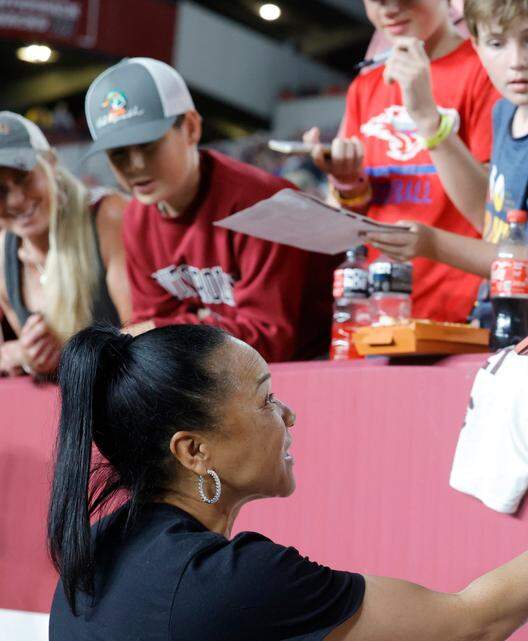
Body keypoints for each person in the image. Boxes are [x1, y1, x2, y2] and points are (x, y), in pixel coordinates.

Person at [46, 323, 528, 639]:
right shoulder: (230, 582)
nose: (288, 414)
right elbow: (473, 620)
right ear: (193, 450)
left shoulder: (96, 552)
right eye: (266, 398)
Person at [363, 0, 528, 328]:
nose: (516, 62)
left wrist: (430, 243)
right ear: (476, 45)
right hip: (504, 319)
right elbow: (492, 220)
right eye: (496, 43)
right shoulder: (505, 111)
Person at [83, 58, 336, 363]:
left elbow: (268, 339)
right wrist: (182, 329)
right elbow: (153, 341)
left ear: (190, 128)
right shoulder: (137, 218)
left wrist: (172, 328)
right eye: (119, 154)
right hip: (227, 378)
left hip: (318, 366)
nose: (136, 166)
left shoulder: (263, 203)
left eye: (149, 145)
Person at [306, 0, 500, 323]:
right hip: (377, 311)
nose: (390, 9)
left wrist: (428, 118)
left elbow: (493, 216)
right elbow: (354, 222)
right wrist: (346, 181)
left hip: (461, 314)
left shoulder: (486, 71)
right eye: (376, 0)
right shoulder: (366, 86)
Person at [0, 112, 130, 378]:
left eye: (23, 176)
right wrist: (25, 355)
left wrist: (68, 353)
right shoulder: (3, 257)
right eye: (0, 191)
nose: (16, 199)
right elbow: (17, 357)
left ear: (51, 162)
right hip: (59, 413)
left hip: (125, 407)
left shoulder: (108, 216)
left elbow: (146, 338)